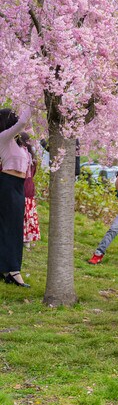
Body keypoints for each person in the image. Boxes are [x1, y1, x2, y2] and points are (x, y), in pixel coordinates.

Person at [0, 107, 32, 288]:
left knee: (12, 228)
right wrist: (32, 101)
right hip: (7, 184)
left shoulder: (16, 142)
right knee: (10, 228)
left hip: (18, 187)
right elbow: (22, 123)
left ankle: (6, 268)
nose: (17, 119)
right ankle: (13, 271)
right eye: (13, 116)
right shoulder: (3, 137)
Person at [19, 133, 40, 249]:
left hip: (22, 188)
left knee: (22, 213)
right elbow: (33, 173)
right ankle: (27, 238)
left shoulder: (21, 156)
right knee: (28, 214)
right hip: (29, 188)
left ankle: (22, 237)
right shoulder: (32, 158)